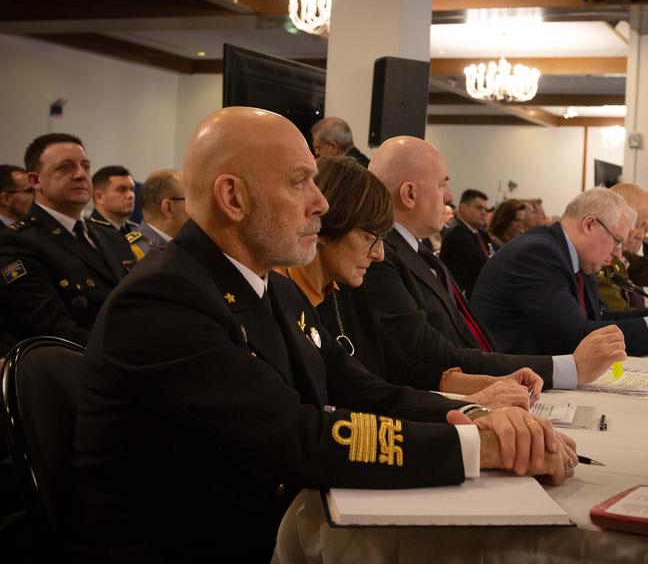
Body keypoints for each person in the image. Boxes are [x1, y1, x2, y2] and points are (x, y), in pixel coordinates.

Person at [66, 108, 576, 562]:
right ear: (233, 197)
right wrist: (477, 447)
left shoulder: (266, 285)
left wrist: (473, 414)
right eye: (299, 182)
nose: (321, 203)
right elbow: (297, 436)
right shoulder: (164, 300)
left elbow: (358, 388)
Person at [363, 136, 627, 390]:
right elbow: (436, 355)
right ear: (409, 194)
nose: (449, 196)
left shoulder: (417, 251)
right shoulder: (380, 257)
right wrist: (569, 368)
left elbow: (464, 342)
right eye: (442, 184)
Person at [279, 157, 542, 409]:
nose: (378, 253)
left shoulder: (341, 288)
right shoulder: (283, 300)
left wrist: (493, 383)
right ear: (324, 225)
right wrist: (470, 406)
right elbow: (358, 398)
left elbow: (399, 368)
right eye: (371, 236)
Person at [472, 187, 648, 357]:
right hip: (511, 384)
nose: (618, 252)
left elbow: (598, 319)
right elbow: (575, 336)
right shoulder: (537, 253)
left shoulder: (579, 257)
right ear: (589, 225)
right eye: (616, 241)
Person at [0, 133, 135, 352]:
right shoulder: (16, 243)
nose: (80, 175)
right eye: (65, 167)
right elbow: (54, 330)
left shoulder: (110, 236)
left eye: (85, 166)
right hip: (80, 367)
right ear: (35, 181)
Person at [596, 183, 648, 312]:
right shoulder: (597, 258)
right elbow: (619, 315)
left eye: (646, 227)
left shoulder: (619, 257)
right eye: (638, 225)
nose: (641, 235)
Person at [440, 189, 494, 296]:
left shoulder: (481, 233)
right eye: (479, 208)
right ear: (463, 208)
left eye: (485, 209)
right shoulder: (457, 233)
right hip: (463, 297)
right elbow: (483, 264)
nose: (484, 213)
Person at [135, 169, 189, 251]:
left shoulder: (179, 244)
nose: (194, 209)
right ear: (168, 208)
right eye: (189, 201)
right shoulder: (135, 252)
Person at [90, 165, 138, 235]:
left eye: (132, 189)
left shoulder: (136, 230)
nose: (131, 195)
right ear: (99, 197)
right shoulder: (88, 233)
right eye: (122, 190)